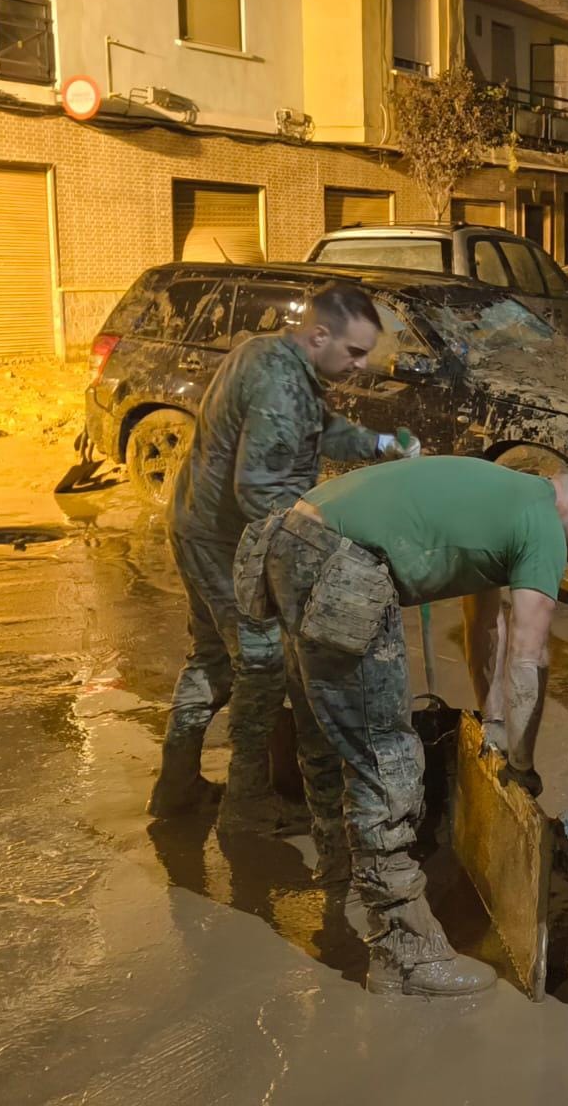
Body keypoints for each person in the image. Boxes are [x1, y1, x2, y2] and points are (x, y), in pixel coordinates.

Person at [255, 454, 568, 996]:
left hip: (292, 537)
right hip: (344, 561)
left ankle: (344, 874)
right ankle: (405, 952)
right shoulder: (545, 523)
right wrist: (522, 766)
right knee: (388, 755)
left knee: (326, 730)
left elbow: (482, 628)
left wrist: (496, 722)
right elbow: (529, 657)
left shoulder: (506, 499)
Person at [148, 281, 418, 830]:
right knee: (264, 662)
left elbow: (315, 430)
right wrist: (330, 538)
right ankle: (247, 803)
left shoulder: (270, 355)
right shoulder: (280, 386)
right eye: (355, 353)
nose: (360, 366)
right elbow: (260, 493)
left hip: (198, 524)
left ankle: (175, 787)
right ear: (320, 335)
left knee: (212, 658)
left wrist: (378, 445)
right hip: (228, 543)